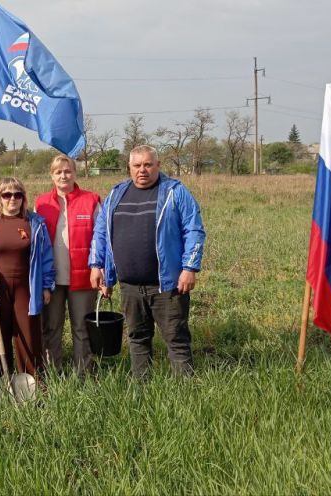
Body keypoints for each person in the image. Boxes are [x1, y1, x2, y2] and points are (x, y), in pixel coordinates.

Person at [89, 145, 206, 378]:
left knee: (176, 339)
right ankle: (141, 390)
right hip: (130, 286)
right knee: (137, 338)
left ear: (158, 165)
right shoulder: (116, 194)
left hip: (168, 285)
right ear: (129, 167)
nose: (142, 170)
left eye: (148, 164)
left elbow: (194, 230)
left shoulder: (175, 191)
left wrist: (189, 268)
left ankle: (185, 393)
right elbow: (101, 233)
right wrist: (97, 266)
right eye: (137, 165)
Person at [0, 177, 54, 378]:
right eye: (7, 195)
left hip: (27, 290)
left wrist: (46, 285)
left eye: (17, 194)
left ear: (24, 198)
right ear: (0, 198)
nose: (12, 199)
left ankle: (32, 382)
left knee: (29, 338)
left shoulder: (35, 223)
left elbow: (46, 257)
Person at [34, 155, 101, 374]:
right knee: (51, 327)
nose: (63, 175)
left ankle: (84, 374)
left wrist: (99, 268)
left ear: (75, 173)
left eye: (68, 171)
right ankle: (53, 373)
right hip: (51, 279)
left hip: (82, 277)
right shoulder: (41, 203)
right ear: (51, 175)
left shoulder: (91, 200)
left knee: (82, 328)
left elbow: (100, 239)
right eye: (58, 172)